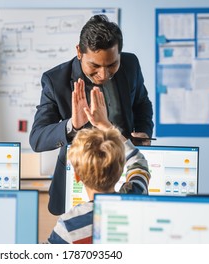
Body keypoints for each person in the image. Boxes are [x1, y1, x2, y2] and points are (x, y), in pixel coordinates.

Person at [29, 14, 154, 215]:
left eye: (112, 64)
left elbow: (142, 104)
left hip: (124, 166)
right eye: (95, 66)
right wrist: (73, 125)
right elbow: (37, 139)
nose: (104, 75)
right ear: (79, 52)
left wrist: (143, 132)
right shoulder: (55, 81)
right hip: (78, 179)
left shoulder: (131, 65)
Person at [47, 127, 150, 244]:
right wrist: (106, 124)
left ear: (76, 176)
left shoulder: (68, 226)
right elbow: (139, 165)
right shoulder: (135, 200)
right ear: (121, 171)